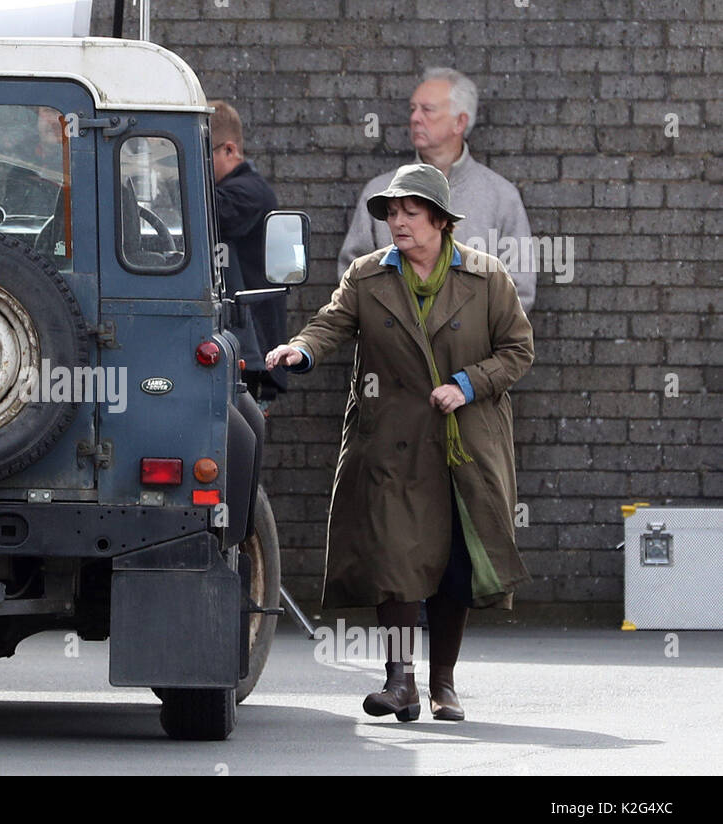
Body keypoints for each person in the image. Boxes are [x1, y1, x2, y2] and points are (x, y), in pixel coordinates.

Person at [266, 164, 533, 722]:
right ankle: (399, 682)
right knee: (394, 555)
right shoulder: (367, 276)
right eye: (391, 212)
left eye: (411, 212)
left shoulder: (487, 278)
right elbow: (331, 323)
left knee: (454, 564)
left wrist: (465, 386)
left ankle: (443, 683)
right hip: (389, 442)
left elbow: (516, 351)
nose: (398, 222)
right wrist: (301, 350)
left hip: (463, 445)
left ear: (440, 220)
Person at [338, 68, 536, 313]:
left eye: (427, 110)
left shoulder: (501, 198)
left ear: (459, 122)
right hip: (393, 348)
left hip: (474, 351)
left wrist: (472, 338)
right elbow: (352, 280)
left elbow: (519, 288)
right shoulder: (379, 192)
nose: (415, 118)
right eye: (413, 109)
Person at [209, 100, 284, 413]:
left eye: (202, 152)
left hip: (252, 354)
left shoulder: (248, 192)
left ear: (229, 150)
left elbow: (205, 211)